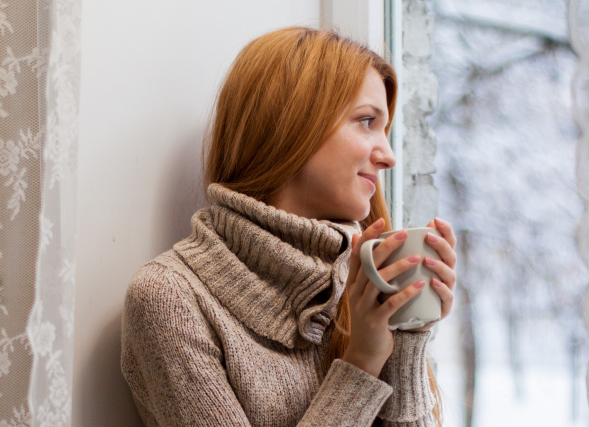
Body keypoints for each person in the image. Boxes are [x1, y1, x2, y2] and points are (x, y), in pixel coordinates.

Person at [120, 27, 458, 427]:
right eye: (367, 121)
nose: (388, 156)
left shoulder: (364, 282)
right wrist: (362, 363)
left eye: (384, 130)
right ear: (291, 125)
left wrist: (406, 332)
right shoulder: (171, 299)